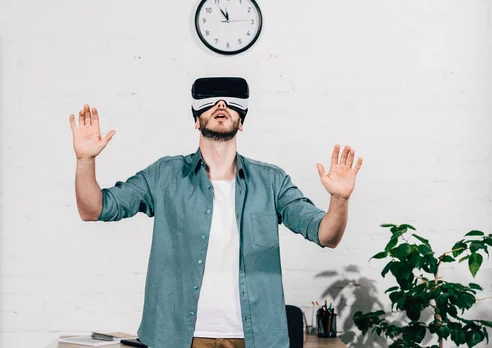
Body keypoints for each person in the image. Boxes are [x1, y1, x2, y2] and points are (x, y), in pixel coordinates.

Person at [70, 77, 363, 348]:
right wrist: (85, 160)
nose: (221, 105)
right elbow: (94, 209)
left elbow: (326, 235)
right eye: (211, 100)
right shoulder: (164, 175)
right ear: (197, 119)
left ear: (242, 120)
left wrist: (339, 200)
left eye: (230, 100)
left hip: (254, 338)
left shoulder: (272, 182)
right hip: (179, 337)